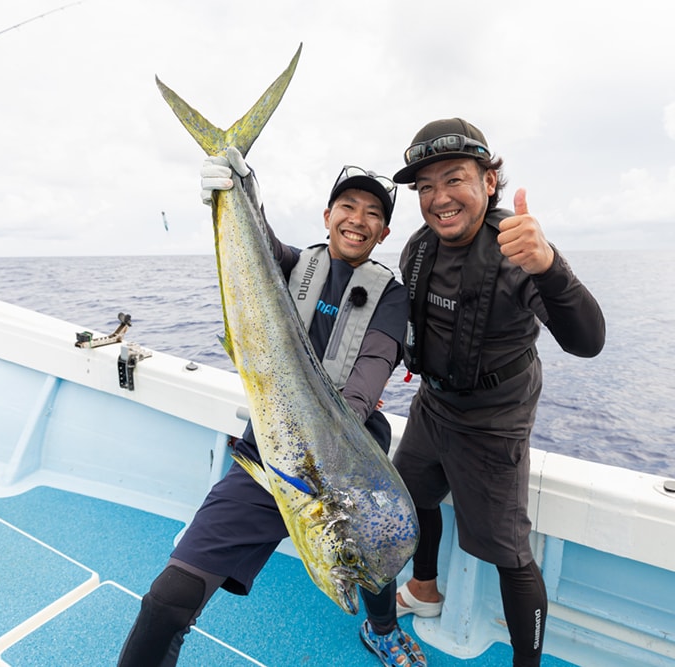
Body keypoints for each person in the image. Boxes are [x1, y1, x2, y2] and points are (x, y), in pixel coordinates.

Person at [118, 150, 427, 667]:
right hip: (270, 452)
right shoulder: (291, 263)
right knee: (167, 600)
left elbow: (372, 368)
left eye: (374, 214)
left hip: (351, 455)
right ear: (327, 217)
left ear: (385, 234)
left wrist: (333, 436)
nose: (358, 220)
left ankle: (382, 628)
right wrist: (235, 185)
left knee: (374, 552)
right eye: (347, 206)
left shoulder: (391, 298)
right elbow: (251, 240)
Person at [389, 119, 606, 667]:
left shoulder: (518, 250)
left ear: (489, 181)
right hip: (432, 406)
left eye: (454, 179)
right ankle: (425, 588)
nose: (439, 199)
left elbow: (588, 342)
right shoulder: (419, 247)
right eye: (425, 187)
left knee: (509, 555)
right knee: (409, 496)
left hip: (492, 422)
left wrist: (550, 266)